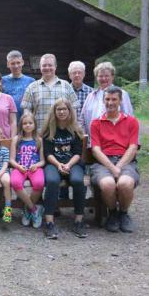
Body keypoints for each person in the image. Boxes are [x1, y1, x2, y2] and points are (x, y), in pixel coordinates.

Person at [90, 86, 139, 233]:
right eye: (107, 99)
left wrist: (119, 166)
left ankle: (123, 213)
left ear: (120, 101)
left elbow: (132, 147)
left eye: (114, 99)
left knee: (125, 183)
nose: (110, 102)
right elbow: (96, 150)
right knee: (107, 184)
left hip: (126, 161)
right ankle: (112, 213)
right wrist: (112, 168)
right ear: (103, 100)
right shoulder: (96, 123)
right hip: (103, 162)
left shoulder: (131, 121)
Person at [42, 99, 87, 239]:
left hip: (73, 164)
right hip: (53, 163)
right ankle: (49, 222)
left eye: (64, 109)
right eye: (58, 109)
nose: (61, 112)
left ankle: (78, 220)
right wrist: (58, 165)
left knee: (78, 180)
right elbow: (48, 153)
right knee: (52, 181)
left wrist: (68, 165)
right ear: (54, 112)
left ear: (69, 111)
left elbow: (77, 153)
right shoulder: (49, 130)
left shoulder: (75, 130)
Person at [21, 53, 79, 131]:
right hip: (39, 134)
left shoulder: (66, 85)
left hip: (63, 134)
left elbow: (74, 109)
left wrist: (74, 129)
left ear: (55, 66)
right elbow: (26, 111)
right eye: (44, 65)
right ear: (40, 67)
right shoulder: (32, 87)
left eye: (50, 65)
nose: (47, 68)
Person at [9, 113, 45, 229]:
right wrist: (18, 167)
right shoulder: (16, 139)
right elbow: (12, 160)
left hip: (34, 168)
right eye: (25, 123)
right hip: (20, 168)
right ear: (21, 125)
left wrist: (37, 165)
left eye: (30, 123)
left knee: (39, 183)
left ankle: (27, 209)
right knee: (15, 182)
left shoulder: (39, 140)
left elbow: (43, 161)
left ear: (34, 125)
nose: (27, 125)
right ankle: (34, 209)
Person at [79, 62, 133, 136]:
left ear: (112, 77)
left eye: (107, 76)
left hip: (116, 141)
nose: (103, 78)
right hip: (93, 141)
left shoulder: (122, 94)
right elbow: (82, 119)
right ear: (96, 77)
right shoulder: (91, 96)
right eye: (100, 76)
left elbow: (129, 117)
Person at [2, 50, 35, 120]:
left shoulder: (31, 81)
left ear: (22, 62)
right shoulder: (2, 81)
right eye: (13, 63)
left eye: (18, 63)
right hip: (7, 120)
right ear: (8, 64)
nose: (16, 66)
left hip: (26, 122)